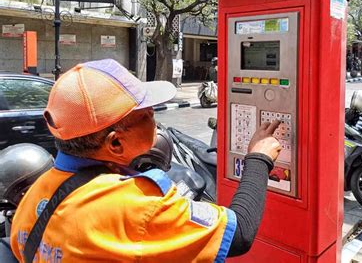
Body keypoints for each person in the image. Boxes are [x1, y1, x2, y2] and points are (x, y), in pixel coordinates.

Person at [10, 59, 282, 262]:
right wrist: (258, 157)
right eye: (147, 115)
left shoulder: (34, 195)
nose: (156, 119)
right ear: (115, 143)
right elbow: (241, 232)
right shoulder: (135, 207)